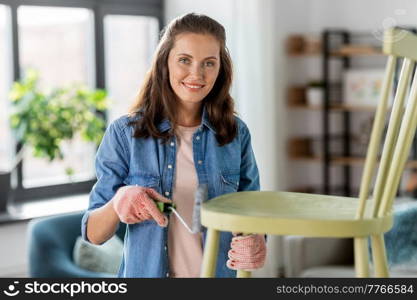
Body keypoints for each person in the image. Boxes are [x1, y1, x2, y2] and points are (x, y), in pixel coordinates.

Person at [81, 12, 266, 278]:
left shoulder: (236, 134)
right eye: (184, 60)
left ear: (220, 69)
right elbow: (93, 234)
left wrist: (257, 240)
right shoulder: (125, 134)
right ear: (165, 62)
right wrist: (119, 201)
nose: (196, 74)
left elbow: (252, 216)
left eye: (209, 63)